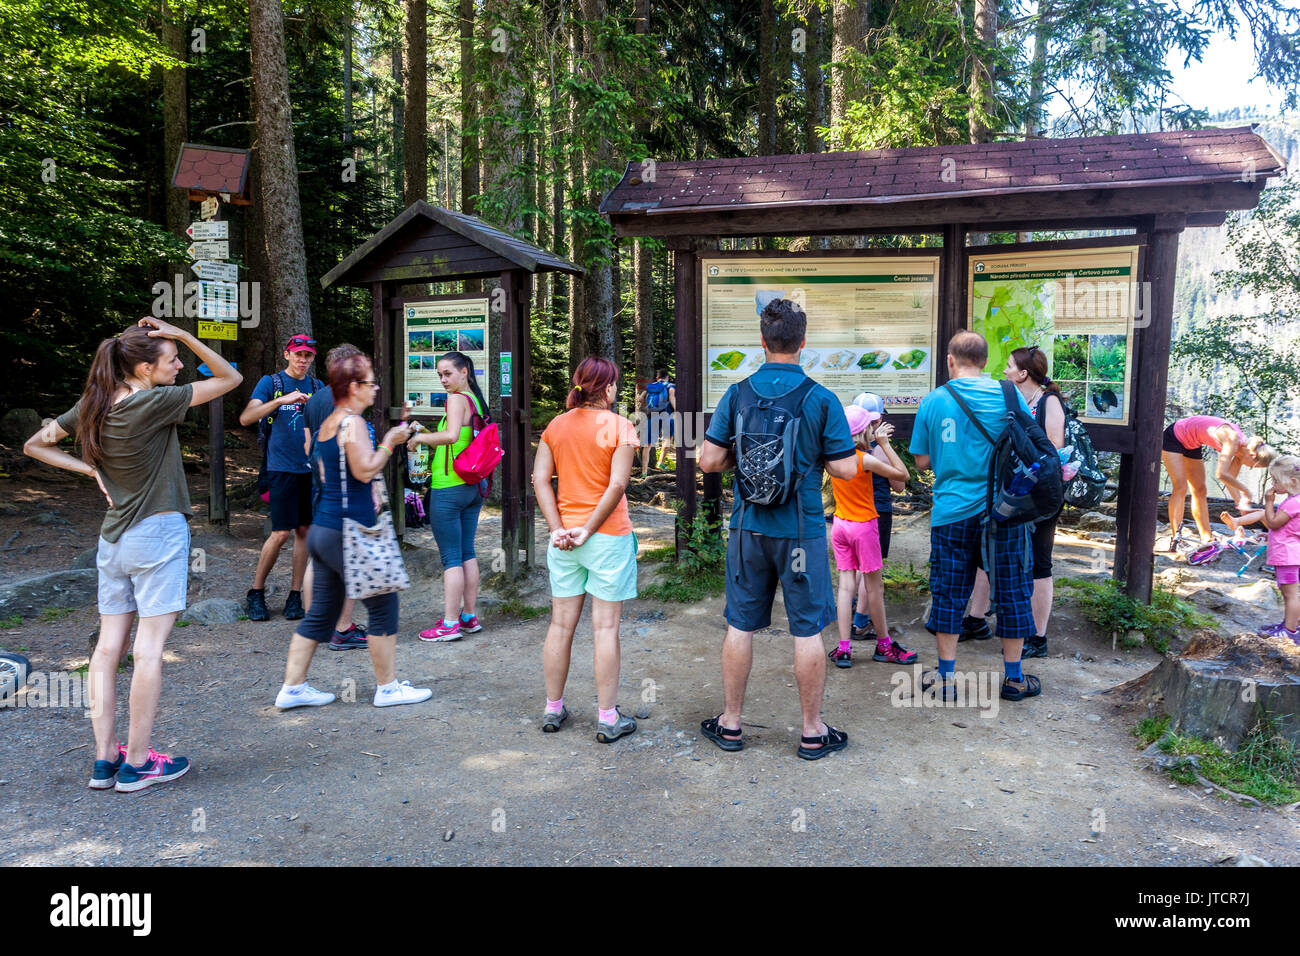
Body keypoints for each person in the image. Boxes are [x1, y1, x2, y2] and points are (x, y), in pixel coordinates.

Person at [24, 317, 241, 792]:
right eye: (171, 360)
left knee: (106, 652)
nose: (180, 365)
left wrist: (87, 469)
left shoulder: (95, 404)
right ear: (144, 368)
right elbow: (230, 379)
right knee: (147, 651)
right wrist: (186, 334)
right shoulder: (154, 401)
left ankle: (104, 762)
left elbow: (35, 444)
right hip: (158, 535)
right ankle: (139, 762)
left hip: (113, 541)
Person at [698, 297, 858, 759]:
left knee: (740, 625)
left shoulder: (738, 393)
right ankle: (811, 732)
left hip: (749, 529)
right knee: (807, 630)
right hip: (802, 532)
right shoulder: (821, 398)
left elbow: (708, 461)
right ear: (802, 343)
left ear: (763, 342)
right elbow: (847, 471)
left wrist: (743, 460)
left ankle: (730, 725)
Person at [274, 351, 432, 710]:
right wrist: (391, 440)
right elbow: (364, 470)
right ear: (352, 387)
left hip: (324, 529)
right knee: (384, 606)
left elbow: (334, 474)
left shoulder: (331, 423)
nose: (375, 388)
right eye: (370, 382)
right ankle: (388, 688)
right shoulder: (353, 424)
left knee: (321, 613)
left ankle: (293, 688)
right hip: (352, 532)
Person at [909, 330, 1040, 702]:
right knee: (1013, 591)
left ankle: (946, 676)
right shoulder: (1008, 394)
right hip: (1005, 513)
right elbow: (1029, 445)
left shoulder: (933, 401)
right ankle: (1014, 679)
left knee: (949, 591)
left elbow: (922, 461)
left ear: (950, 360)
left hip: (951, 512)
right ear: (986, 361)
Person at [531, 356, 640, 742]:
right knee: (605, 628)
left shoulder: (556, 426)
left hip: (564, 541)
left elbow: (540, 480)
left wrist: (559, 528)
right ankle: (608, 718)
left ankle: (553, 707)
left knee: (561, 625)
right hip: (607, 537)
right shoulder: (621, 427)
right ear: (608, 388)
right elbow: (617, 486)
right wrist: (589, 530)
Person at [962, 345, 1067, 658]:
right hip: (1012, 492)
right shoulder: (1016, 399)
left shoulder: (1050, 402)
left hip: (1041, 496)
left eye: (1009, 366)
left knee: (1039, 562)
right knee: (987, 550)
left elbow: (1054, 450)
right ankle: (976, 619)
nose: (1005, 370)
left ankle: (1038, 636)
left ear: (1023, 373)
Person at [240, 334, 326, 622]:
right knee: (279, 533)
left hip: (309, 470)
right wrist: (282, 400)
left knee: (304, 533)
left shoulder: (317, 386)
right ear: (287, 354)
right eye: (298, 354)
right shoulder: (271, 383)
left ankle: (294, 595)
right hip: (280, 469)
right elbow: (247, 418)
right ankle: (256, 592)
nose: (303, 360)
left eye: (308, 356)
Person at [406, 352, 488, 642]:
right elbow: (457, 436)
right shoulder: (475, 399)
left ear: (464, 371)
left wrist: (419, 439)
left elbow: (452, 436)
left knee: (451, 558)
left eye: (448, 374)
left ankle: (449, 624)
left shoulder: (456, 399)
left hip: (448, 488)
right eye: (440, 375)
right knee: (467, 552)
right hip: (471, 487)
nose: (443, 380)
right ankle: (468, 616)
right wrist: (427, 431)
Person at [827, 405, 915, 669]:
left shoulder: (832, 456)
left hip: (840, 525)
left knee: (845, 587)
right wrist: (885, 445)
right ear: (864, 431)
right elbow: (903, 476)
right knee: (874, 589)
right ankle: (885, 646)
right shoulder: (863, 459)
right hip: (863, 527)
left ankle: (844, 649)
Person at [301, 343, 369, 651]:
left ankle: (315, 623)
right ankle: (342, 628)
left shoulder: (314, 399)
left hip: (320, 485)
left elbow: (307, 447)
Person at [1161, 415, 1274, 546]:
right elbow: (1221, 474)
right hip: (1174, 436)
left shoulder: (1241, 453)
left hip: (1192, 443)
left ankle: (1206, 536)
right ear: (1252, 455)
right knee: (1180, 487)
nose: (1249, 468)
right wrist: (1246, 490)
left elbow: (1229, 481)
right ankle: (1176, 538)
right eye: (1253, 466)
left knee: (1200, 490)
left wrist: (1242, 508)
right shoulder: (1233, 440)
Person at [848, 392, 906, 640]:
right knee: (870, 569)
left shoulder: (846, 446)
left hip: (850, 512)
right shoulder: (880, 451)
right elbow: (900, 485)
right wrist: (886, 445)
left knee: (854, 568)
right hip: (877, 511)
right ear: (879, 418)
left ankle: (853, 610)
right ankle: (861, 622)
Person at [1256, 455, 1300, 642]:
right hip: (1288, 552)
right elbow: (1287, 529)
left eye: (1276, 480)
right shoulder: (1295, 500)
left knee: (1290, 594)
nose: (1273, 484)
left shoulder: (1291, 504)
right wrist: (1271, 536)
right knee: (1287, 592)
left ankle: (1290, 631)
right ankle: (1287, 625)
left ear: (1292, 481)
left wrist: (1268, 502)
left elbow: (1273, 523)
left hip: (1287, 556)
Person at [643, 369, 676, 473]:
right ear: (667, 377)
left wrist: (650, 407)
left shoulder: (650, 387)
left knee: (648, 444)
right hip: (667, 415)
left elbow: (640, 399)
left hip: (652, 415)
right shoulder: (670, 386)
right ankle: (660, 462)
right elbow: (672, 399)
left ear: (657, 378)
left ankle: (644, 472)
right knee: (667, 438)